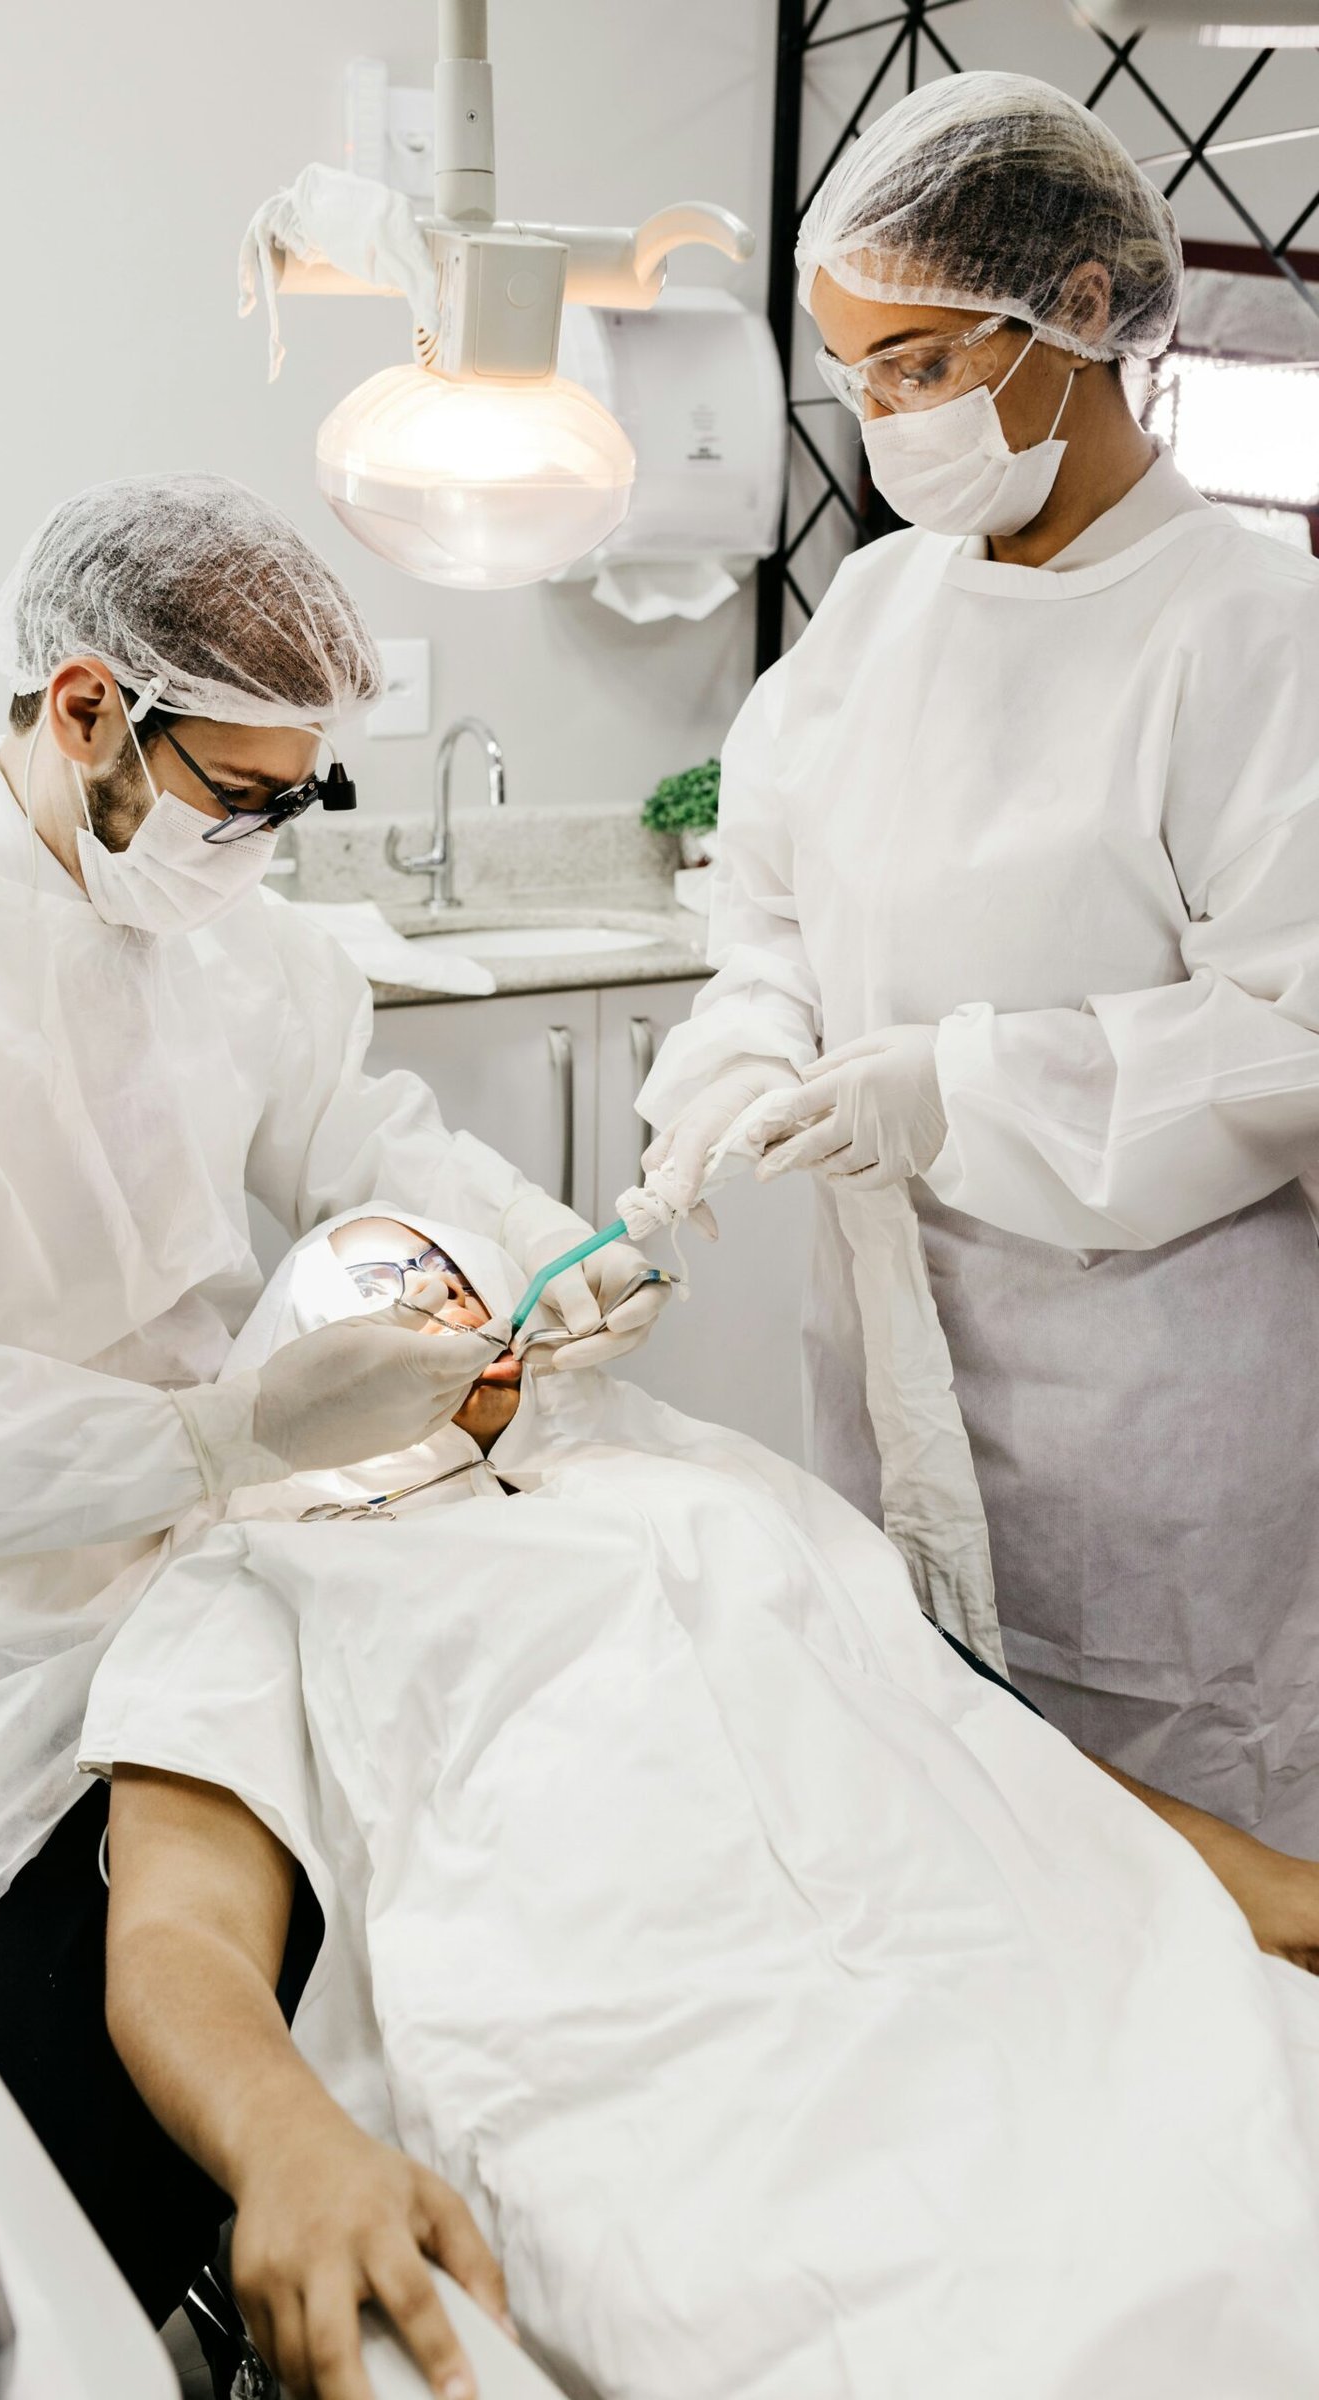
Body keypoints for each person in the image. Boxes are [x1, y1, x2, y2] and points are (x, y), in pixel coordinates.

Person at [0, 472, 668, 2324]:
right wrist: (210, 1435)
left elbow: (361, 1139)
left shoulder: (242, 934)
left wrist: (565, 1251)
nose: (271, 840)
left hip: (229, 1549)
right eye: (244, 794)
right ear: (85, 711)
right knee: (134, 2049)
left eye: (305, 793)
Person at [83, 1207, 1319, 2400]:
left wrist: (1241, 1871)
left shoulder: (672, 1475)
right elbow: (174, 1929)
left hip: (995, 1956)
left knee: (1237, 2182)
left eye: (455, 1280)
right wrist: (282, 2141)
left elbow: (950, 1719)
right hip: (641, 2035)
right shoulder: (256, 1570)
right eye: (389, 1296)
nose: (445, 1311)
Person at [640, 71, 1319, 1853]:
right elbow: (770, 904)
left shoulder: (1251, 636)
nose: (881, 421)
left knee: (1181, 1888)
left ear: (1081, 314)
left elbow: (1298, 1030)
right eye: (857, 374)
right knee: (941, 1827)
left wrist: (957, 1088)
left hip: (1148, 1433)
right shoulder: (881, 608)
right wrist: (739, 1049)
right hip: (890, 1374)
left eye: (919, 365)